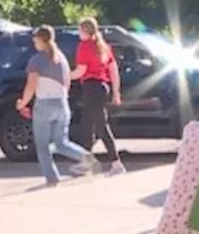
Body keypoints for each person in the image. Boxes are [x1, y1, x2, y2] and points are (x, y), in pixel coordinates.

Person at [16, 26, 98, 186]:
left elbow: (31, 86)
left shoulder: (36, 60)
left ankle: (52, 179)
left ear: (41, 40)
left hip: (44, 104)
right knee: (61, 143)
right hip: (62, 103)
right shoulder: (61, 58)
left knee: (42, 147)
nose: (34, 44)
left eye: (35, 41)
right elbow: (67, 83)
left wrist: (22, 103)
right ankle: (85, 156)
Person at [73, 17, 126, 176]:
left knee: (100, 126)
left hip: (91, 87)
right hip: (102, 87)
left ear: (85, 31)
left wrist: (64, 76)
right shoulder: (103, 46)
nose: (78, 33)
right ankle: (87, 162)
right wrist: (116, 92)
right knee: (88, 124)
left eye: (79, 30)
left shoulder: (84, 46)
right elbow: (113, 70)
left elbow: (81, 71)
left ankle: (116, 163)